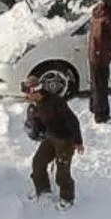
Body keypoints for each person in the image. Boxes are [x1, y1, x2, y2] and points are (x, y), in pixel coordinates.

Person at [22, 75, 83, 205]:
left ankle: (67, 198)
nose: (26, 97)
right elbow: (42, 121)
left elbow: (73, 121)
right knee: (38, 162)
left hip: (65, 140)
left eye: (27, 93)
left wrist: (78, 141)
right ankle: (43, 190)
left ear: (35, 92)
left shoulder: (56, 102)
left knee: (62, 173)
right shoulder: (36, 103)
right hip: (51, 136)